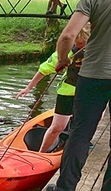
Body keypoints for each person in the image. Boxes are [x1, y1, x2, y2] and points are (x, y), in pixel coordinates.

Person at [46, 0, 111, 191]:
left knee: (80, 133)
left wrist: (63, 60)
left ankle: (65, 189)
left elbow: (67, 36)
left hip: (93, 73)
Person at [15, 23, 90, 152]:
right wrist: (28, 88)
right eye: (76, 42)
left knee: (92, 120)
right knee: (56, 127)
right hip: (68, 91)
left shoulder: (99, 50)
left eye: (81, 44)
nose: (77, 46)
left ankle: (83, 141)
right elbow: (43, 70)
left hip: (89, 92)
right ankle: (41, 152)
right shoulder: (66, 51)